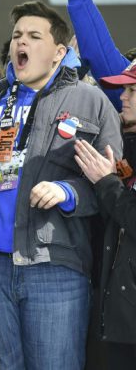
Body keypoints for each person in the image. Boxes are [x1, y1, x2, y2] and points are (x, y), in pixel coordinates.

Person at [0, 0, 122, 370]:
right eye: (17, 35)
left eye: (34, 36)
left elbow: (114, 185)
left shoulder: (90, 101)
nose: (22, 42)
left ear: (59, 53)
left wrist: (67, 192)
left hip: (54, 265)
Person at [75, 62, 136, 369]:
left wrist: (107, 182)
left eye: (132, 90)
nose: (122, 97)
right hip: (119, 317)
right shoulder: (128, 145)